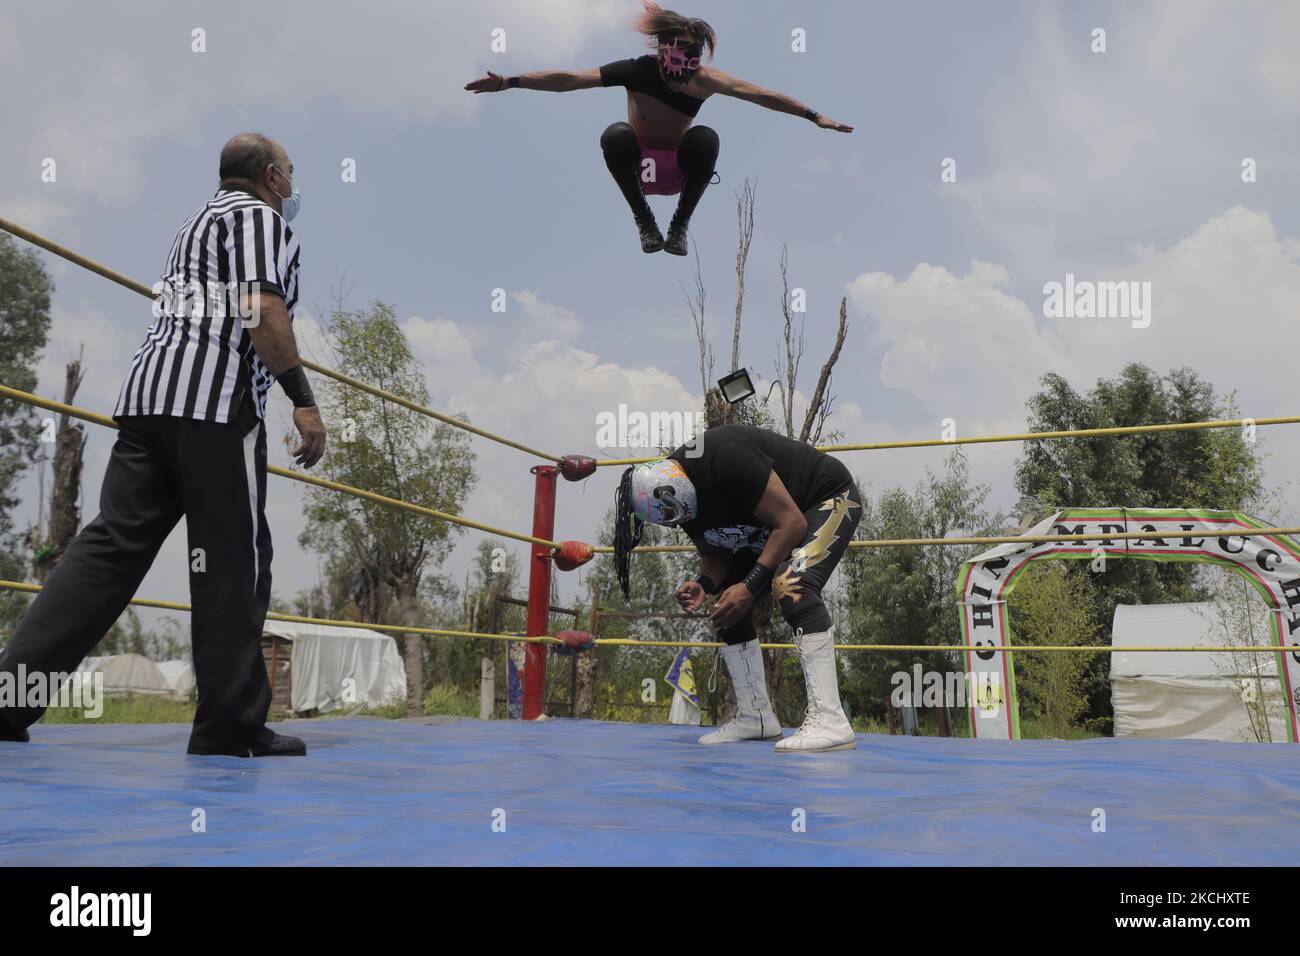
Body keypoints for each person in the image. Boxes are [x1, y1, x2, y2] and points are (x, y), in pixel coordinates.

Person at [0, 133, 326, 757]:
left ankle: (9, 697)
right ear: (270, 176)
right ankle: (230, 728)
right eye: (289, 172)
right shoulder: (260, 218)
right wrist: (303, 401)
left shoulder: (193, 222)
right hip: (215, 404)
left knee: (107, 551)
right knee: (234, 559)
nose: (292, 186)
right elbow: (260, 308)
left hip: (147, 400)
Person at [465, 1, 853, 255]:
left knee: (707, 138)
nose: (688, 67)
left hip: (678, 172)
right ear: (664, 50)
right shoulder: (637, 70)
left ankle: (679, 225)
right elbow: (569, 78)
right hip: (637, 168)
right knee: (615, 133)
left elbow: (761, 95)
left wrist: (813, 115)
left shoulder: (706, 80)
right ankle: (645, 221)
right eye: (683, 54)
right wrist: (509, 82)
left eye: (695, 57)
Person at [614, 424, 861, 752]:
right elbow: (716, 554)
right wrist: (704, 583)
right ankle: (756, 716)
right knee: (726, 603)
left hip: (825, 500)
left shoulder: (724, 456)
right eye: (671, 520)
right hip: (770, 528)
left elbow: (792, 524)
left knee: (792, 584)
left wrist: (750, 587)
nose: (680, 521)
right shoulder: (679, 505)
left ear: (673, 487)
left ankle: (831, 718)